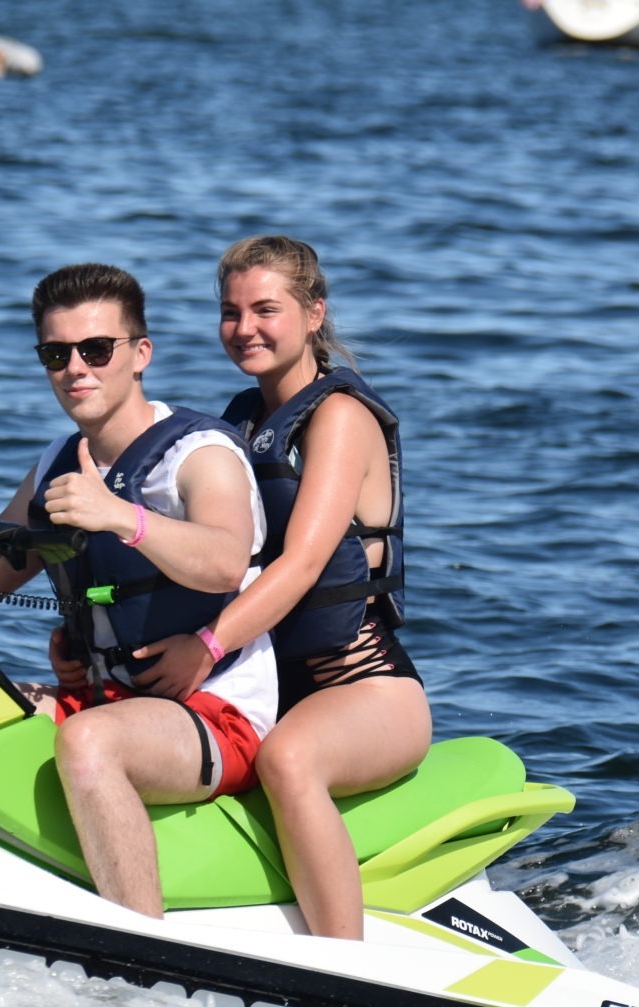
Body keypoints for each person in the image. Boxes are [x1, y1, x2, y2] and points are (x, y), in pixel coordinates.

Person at [0, 263, 275, 919]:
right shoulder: (59, 463)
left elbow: (224, 562)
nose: (76, 369)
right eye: (56, 353)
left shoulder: (201, 455)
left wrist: (122, 515)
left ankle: (142, 952)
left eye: (97, 349)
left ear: (140, 354)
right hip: (97, 696)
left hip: (217, 712)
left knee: (90, 742)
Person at [123, 237, 431, 940]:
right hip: (259, 682)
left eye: (266, 309)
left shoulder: (339, 418)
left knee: (289, 759)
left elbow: (298, 565)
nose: (245, 328)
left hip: (364, 688)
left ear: (313, 312)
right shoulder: (237, 424)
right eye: (230, 312)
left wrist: (204, 648)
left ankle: (345, 974)